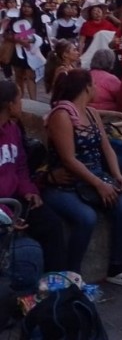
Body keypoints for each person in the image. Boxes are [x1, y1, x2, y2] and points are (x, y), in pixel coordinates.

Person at [42, 70, 122, 285]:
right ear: (87, 88)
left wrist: (116, 175)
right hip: (65, 185)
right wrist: (99, 184)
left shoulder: (91, 113)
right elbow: (69, 159)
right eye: (94, 86)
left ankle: (116, 267)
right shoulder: (61, 116)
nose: (96, 90)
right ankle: (72, 274)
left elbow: (106, 147)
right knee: (86, 217)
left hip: (95, 177)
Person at [0, 80, 67, 282]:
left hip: (17, 198)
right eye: (19, 99)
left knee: (52, 225)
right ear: (10, 104)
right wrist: (8, 216)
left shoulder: (13, 129)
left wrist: (30, 190)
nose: (21, 104)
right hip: (4, 207)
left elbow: (20, 166)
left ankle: (55, 286)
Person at [8, 0, 50, 100]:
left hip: (32, 51)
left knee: (31, 76)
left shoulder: (38, 20)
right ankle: (19, 98)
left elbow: (42, 34)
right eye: (24, 7)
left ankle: (33, 100)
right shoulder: (16, 20)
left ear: (33, 8)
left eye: (29, 7)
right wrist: (19, 40)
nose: (26, 9)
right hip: (18, 51)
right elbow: (8, 34)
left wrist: (30, 41)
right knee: (18, 76)